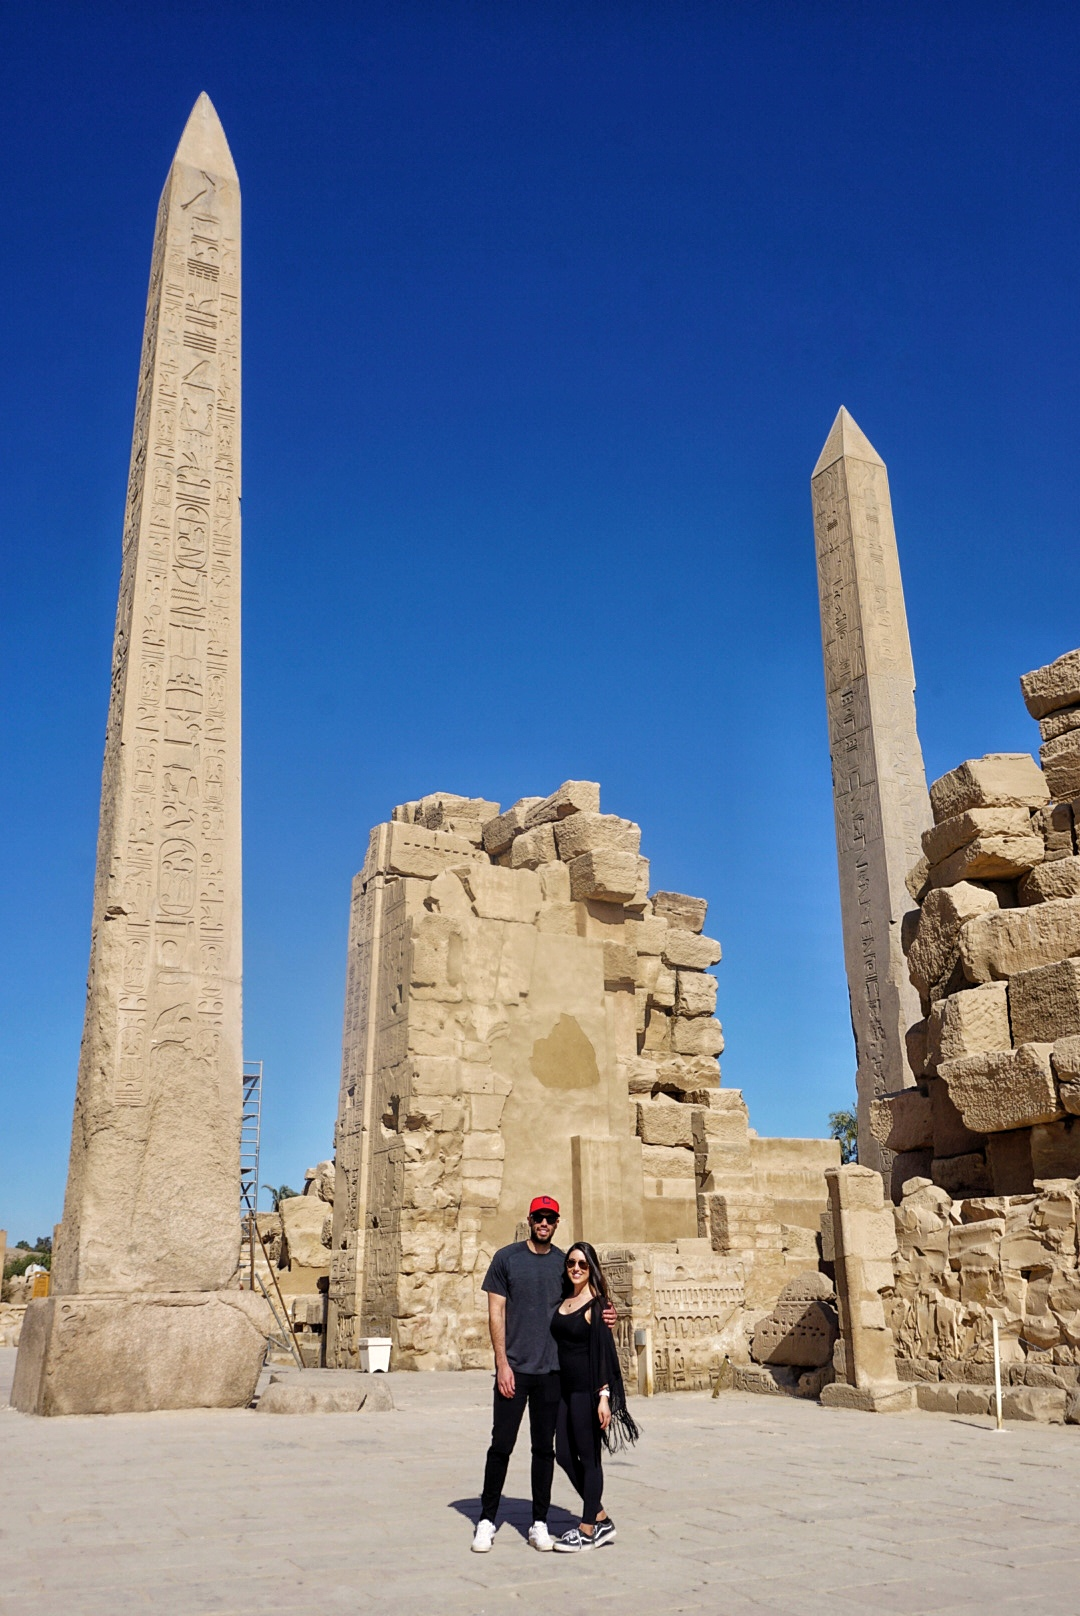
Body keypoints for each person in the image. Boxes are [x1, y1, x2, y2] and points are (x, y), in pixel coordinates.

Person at [472, 1196, 616, 1553]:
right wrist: (501, 1363)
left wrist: (609, 1314)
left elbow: (589, 1296)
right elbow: (496, 1313)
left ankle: (539, 1522)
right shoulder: (507, 1259)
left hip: (552, 1373)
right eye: (539, 1217)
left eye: (550, 1218)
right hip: (515, 1370)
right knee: (501, 1446)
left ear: (557, 1222)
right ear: (530, 1219)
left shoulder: (564, 1263)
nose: (544, 1223)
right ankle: (487, 1520)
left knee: (543, 1450)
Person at [549, 1241, 639, 1553]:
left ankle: (588, 1529)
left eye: (582, 1265)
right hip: (564, 1390)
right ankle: (600, 1515)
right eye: (571, 1263)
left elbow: (603, 1354)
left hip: (587, 1391)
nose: (575, 1268)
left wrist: (604, 1397)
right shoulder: (565, 1299)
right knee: (562, 1455)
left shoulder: (598, 1305)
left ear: (591, 1269)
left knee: (589, 1459)